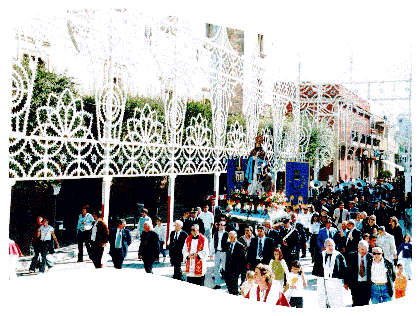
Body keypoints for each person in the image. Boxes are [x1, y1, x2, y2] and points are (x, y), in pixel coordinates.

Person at [313, 238, 347, 308]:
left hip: (335, 283)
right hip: (323, 282)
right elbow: (316, 270)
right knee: (322, 301)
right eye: (329, 245)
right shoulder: (321, 255)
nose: (331, 247)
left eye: (332, 245)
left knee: (336, 302)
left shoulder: (339, 256)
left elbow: (344, 270)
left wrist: (345, 282)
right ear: (325, 247)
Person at [344, 240, 372, 307]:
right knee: (356, 303)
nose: (364, 251)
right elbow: (347, 270)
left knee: (366, 304)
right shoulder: (351, 256)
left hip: (366, 284)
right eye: (362, 249)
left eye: (366, 249)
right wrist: (346, 283)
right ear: (358, 248)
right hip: (355, 284)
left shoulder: (370, 257)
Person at [224, 231, 246, 295]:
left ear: (235, 237)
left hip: (235, 269)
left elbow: (242, 259)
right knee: (228, 284)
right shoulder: (227, 244)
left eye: (231, 237)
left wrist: (242, 272)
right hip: (228, 268)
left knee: (234, 286)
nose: (230, 238)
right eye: (229, 237)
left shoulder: (240, 246)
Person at [210, 220, 229, 289]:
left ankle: (228, 283)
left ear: (225, 226)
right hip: (217, 252)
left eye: (222, 225)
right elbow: (212, 244)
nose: (220, 226)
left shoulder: (227, 234)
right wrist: (211, 254)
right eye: (219, 224)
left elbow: (229, 244)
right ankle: (217, 283)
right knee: (216, 269)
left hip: (224, 253)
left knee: (225, 268)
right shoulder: (215, 234)